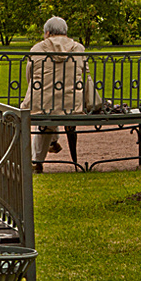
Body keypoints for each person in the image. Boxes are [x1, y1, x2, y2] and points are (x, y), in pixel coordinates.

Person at [20, 16, 100, 173]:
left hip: (42, 104)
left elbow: (30, 78)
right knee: (55, 107)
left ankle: (38, 159)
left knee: (46, 108)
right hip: (72, 106)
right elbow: (84, 75)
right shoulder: (79, 48)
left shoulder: (36, 49)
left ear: (48, 33)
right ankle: (51, 143)